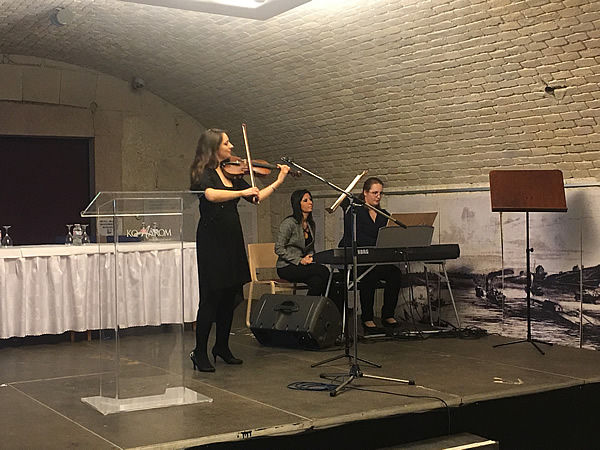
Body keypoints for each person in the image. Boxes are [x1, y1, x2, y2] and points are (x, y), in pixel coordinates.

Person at [189, 128, 290, 372]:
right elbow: (211, 195)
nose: (232, 146)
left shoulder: (231, 173)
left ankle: (221, 347)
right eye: (227, 143)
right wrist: (241, 191)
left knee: (229, 296)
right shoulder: (204, 173)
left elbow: (255, 197)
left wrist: (278, 181)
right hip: (212, 241)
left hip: (232, 240)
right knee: (211, 298)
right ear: (214, 147)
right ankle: (200, 352)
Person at [339, 177, 401, 334]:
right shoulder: (354, 212)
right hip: (359, 259)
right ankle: (367, 318)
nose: (378, 196)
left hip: (376, 259)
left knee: (395, 273)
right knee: (369, 275)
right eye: (375, 193)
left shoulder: (383, 215)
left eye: (380, 193)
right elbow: (356, 236)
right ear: (365, 193)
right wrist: (378, 241)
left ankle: (388, 315)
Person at [275, 189, 330, 296]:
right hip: (287, 266)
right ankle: (331, 304)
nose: (310, 202)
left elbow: (309, 248)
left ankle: (312, 307)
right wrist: (299, 260)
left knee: (317, 281)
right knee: (323, 271)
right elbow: (278, 248)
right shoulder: (289, 223)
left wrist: (311, 258)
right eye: (305, 200)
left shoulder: (310, 224)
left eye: (310, 199)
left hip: (302, 266)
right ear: (297, 204)